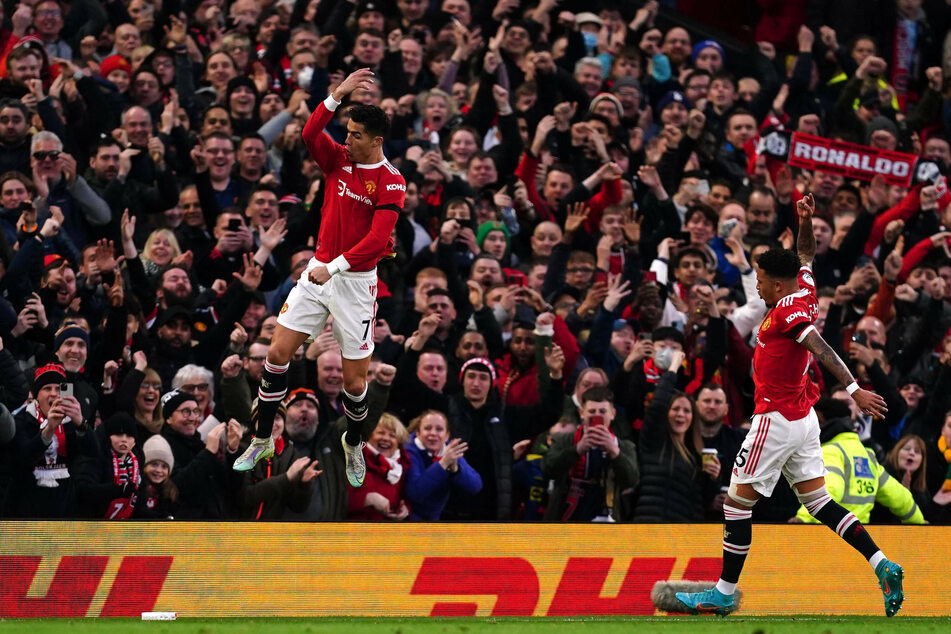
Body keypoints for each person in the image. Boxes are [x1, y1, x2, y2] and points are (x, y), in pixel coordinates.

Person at [676, 194, 903, 617]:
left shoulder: (785, 314)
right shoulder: (805, 289)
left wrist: (854, 389)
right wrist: (805, 219)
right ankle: (883, 564)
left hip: (776, 418)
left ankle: (724, 593)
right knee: (819, 504)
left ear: (777, 286)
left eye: (760, 280)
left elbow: (820, 346)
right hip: (803, 420)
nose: (757, 286)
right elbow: (805, 254)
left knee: (735, 503)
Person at [234, 68, 406, 490]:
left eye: (354, 134)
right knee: (276, 353)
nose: (346, 139)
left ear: (376, 140)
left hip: (354, 283)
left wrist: (334, 267)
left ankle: (352, 441)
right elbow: (312, 134)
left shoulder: (392, 182)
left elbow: (377, 241)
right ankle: (261, 439)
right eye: (345, 131)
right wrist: (335, 96)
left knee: (354, 382)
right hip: (317, 274)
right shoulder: (338, 159)